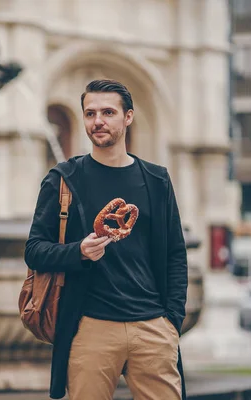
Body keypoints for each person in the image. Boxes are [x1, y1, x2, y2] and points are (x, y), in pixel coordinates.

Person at [24, 79, 188, 400]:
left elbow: (175, 254)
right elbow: (34, 250)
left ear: (128, 117)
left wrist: (172, 321)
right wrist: (78, 252)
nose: (97, 121)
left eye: (108, 112)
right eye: (89, 113)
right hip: (90, 327)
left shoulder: (156, 180)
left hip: (152, 326)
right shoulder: (63, 180)